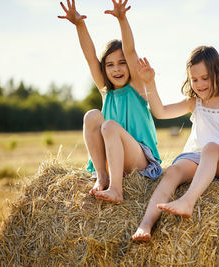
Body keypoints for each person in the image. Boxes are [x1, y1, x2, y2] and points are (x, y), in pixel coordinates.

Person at [132, 46, 219, 241]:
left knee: (210, 147)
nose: (199, 84)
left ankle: (188, 201)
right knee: (173, 171)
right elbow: (161, 112)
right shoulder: (194, 103)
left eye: (205, 78)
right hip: (199, 158)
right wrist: (150, 83)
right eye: (194, 79)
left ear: (218, 74)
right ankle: (146, 224)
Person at [58, 0, 162, 203]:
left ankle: (117, 190)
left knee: (110, 127)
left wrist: (122, 19)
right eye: (110, 65)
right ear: (104, 69)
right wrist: (80, 25)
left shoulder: (137, 88)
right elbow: (90, 58)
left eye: (122, 64)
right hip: (113, 161)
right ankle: (102, 176)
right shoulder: (106, 92)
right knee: (92, 116)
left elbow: (130, 51)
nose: (116, 69)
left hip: (140, 159)